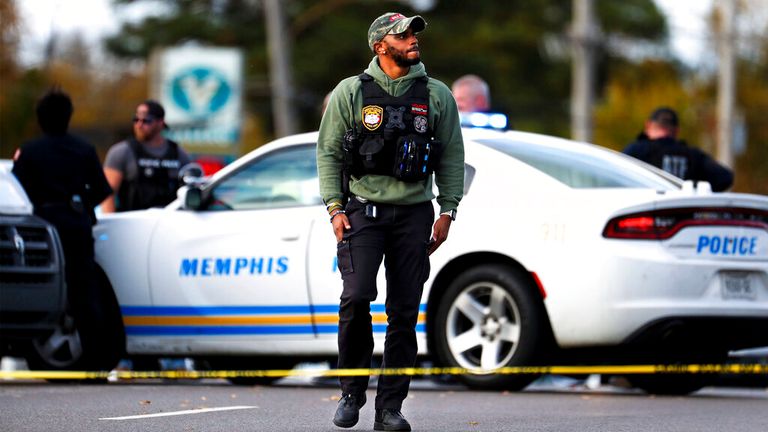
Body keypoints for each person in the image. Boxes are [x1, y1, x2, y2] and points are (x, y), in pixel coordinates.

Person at [317, 12, 464, 431]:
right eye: (403, 35)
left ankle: (390, 409)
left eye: (414, 33)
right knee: (356, 297)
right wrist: (335, 207)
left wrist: (448, 209)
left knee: (403, 313)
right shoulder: (350, 92)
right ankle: (351, 393)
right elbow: (328, 153)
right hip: (363, 210)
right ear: (381, 46)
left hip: (415, 215)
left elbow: (452, 155)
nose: (412, 39)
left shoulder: (436, 94)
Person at [12, 88, 113, 362]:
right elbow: (103, 189)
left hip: (40, 231)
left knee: (35, 285)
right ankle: (94, 359)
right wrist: (80, 205)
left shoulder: (31, 152)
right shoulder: (84, 149)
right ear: (69, 117)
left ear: (40, 118)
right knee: (86, 292)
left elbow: (16, 191)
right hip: (76, 226)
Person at [101, 100, 191, 212]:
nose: (139, 125)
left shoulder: (178, 154)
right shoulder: (122, 151)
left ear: (160, 122)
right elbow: (106, 193)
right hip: (132, 222)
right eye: (136, 120)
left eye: (146, 121)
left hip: (168, 222)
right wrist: (111, 222)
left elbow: (190, 192)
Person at [623, 107, 734, 191]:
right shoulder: (693, 156)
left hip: (644, 214)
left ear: (648, 126)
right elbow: (725, 177)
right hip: (682, 214)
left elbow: (617, 176)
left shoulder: (636, 151)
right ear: (676, 131)